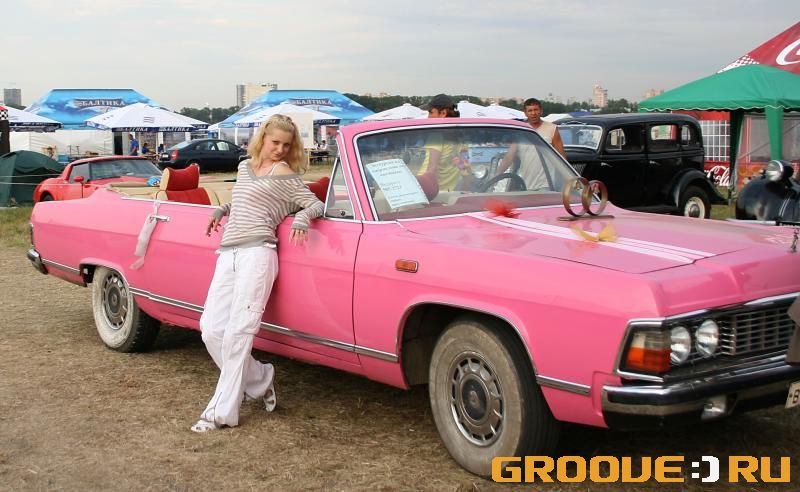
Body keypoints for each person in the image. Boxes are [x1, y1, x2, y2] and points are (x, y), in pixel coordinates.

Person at [191, 114, 324, 433]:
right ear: (263, 138)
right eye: (275, 142)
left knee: (238, 332)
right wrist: (222, 209)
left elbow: (316, 204)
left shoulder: (286, 174)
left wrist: (302, 218)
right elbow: (245, 201)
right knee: (211, 329)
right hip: (228, 252)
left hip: (259, 254)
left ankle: (219, 414)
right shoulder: (243, 167)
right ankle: (261, 378)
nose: (280, 149)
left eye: (286, 145)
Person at [416, 94, 471, 192]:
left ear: (443, 113)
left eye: (431, 112)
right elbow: (466, 172)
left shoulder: (436, 135)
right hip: (448, 193)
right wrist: (463, 195)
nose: (428, 117)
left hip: (426, 190)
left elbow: (432, 169)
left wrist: (427, 195)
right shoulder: (462, 140)